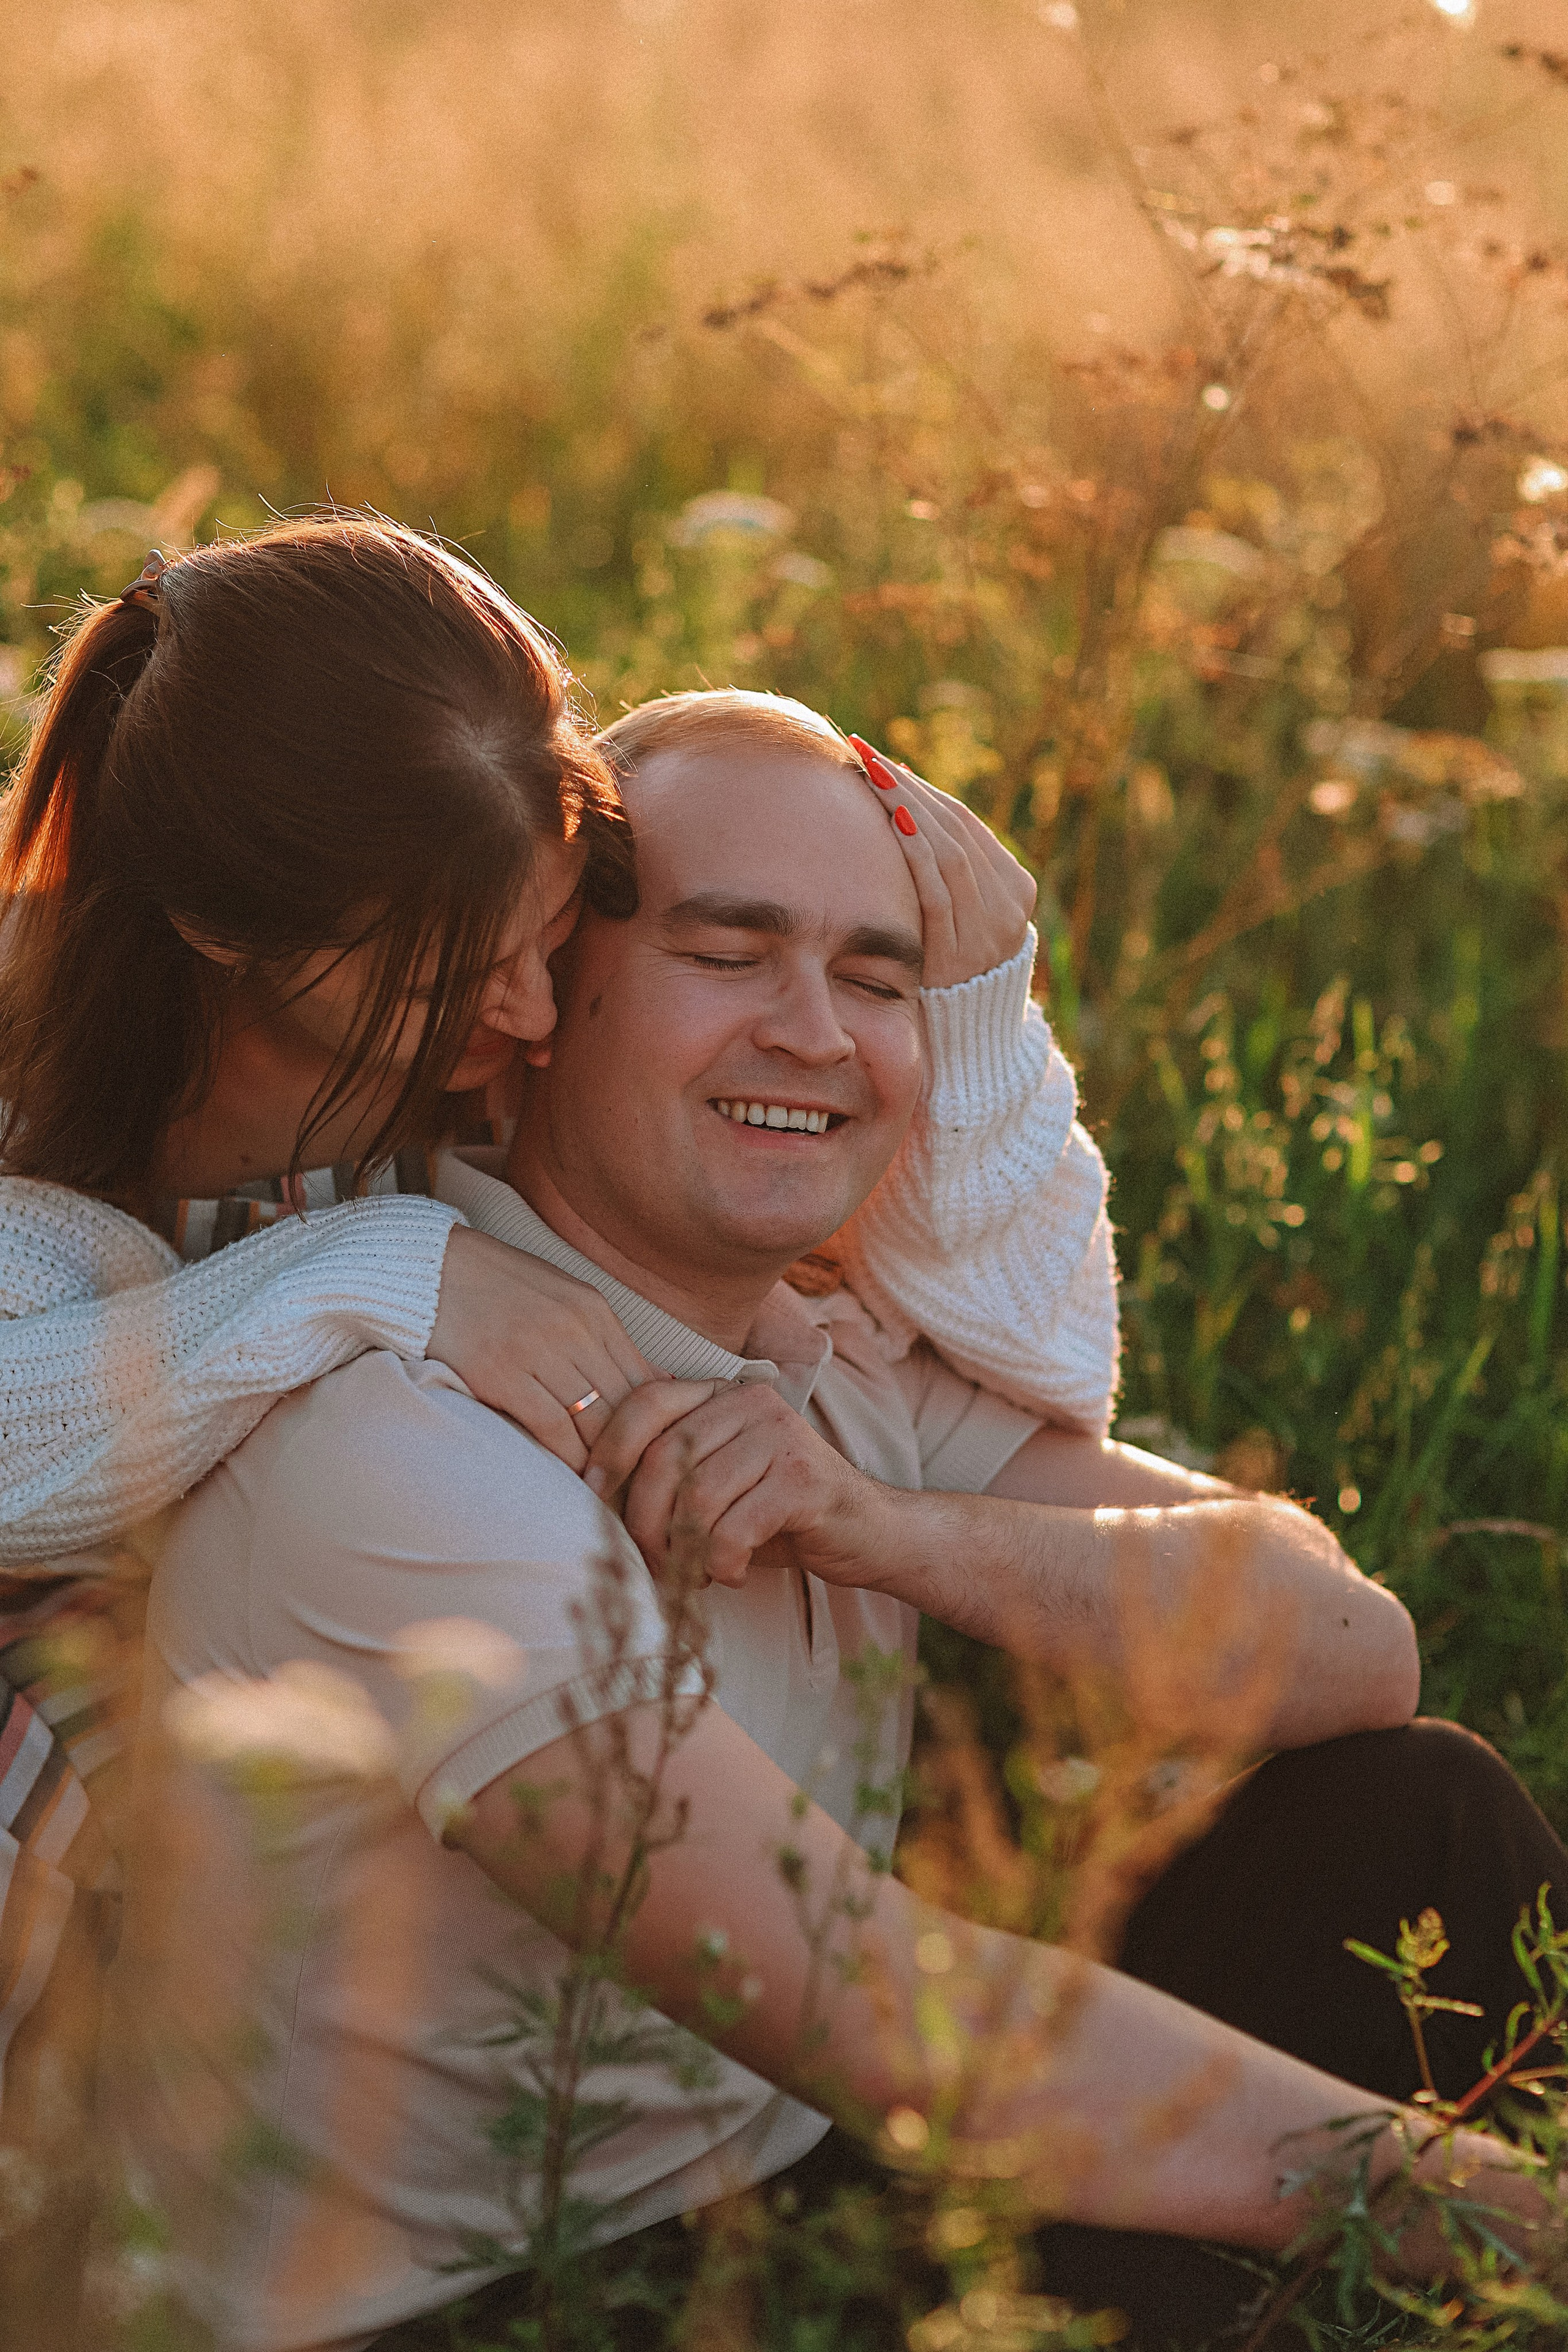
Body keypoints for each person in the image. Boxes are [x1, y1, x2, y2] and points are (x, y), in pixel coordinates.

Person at [112, 692, 1564, 2352]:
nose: (818, 1031)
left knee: (1417, 1814)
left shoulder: (828, 1347)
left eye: (875, 976)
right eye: (730, 956)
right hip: (475, 2309)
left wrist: (884, 1527)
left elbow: (1353, 1647)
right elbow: (889, 2012)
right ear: (535, 1013)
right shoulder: (389, 1443)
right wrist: (1494, 2209)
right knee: (1144, 2280)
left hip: (773, 2173)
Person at [0, 529, 1117, 2120]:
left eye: (546, 940)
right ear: (229, 935)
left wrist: (979, 1014)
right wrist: (375, 1272)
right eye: (464, 969)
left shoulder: (444, 1080)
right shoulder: (54, 1129)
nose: (528, 1013)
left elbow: (1046, 1360)